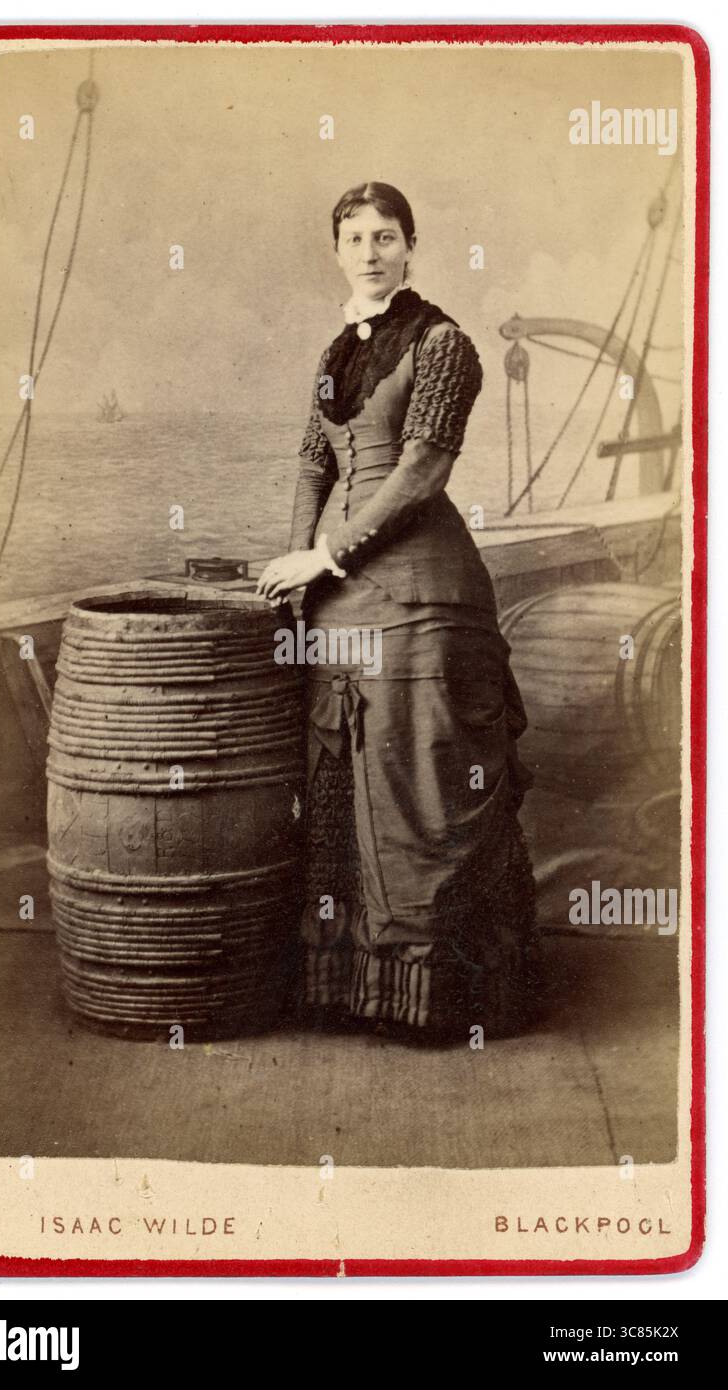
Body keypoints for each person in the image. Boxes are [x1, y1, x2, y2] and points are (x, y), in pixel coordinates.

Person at [257, 181, 545, 1043]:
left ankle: (447, 1004)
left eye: (387, 237)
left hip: (426, 597)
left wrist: (327, 555)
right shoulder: (335, 352)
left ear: (411, 247)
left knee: (423, 782)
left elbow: (420, 472)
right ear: (337, 251)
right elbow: (314, 464)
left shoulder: (443, 343)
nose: (371, 251)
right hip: (344, 602)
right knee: (349, 789)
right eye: (355, 238)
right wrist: (302, 567)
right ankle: (357, 992)